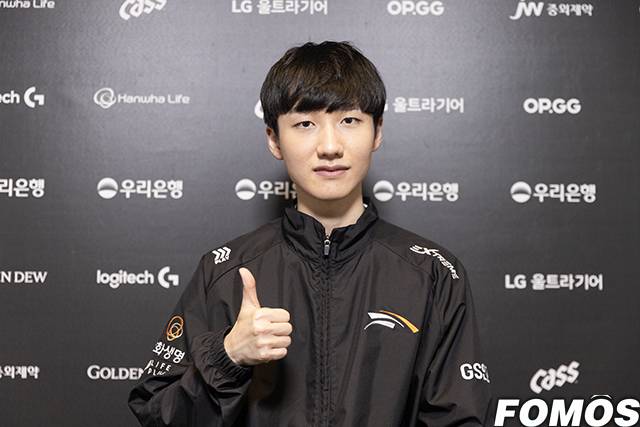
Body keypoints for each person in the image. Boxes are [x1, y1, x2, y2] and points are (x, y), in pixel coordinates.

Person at [128, 40, 492, 426]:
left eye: (349, 121)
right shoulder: (223, 273)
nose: (330, 146)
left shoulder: (432, 274)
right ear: (274, 139)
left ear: (377, 132)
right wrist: (228, 356)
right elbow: (158, 415)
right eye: (305, 124)